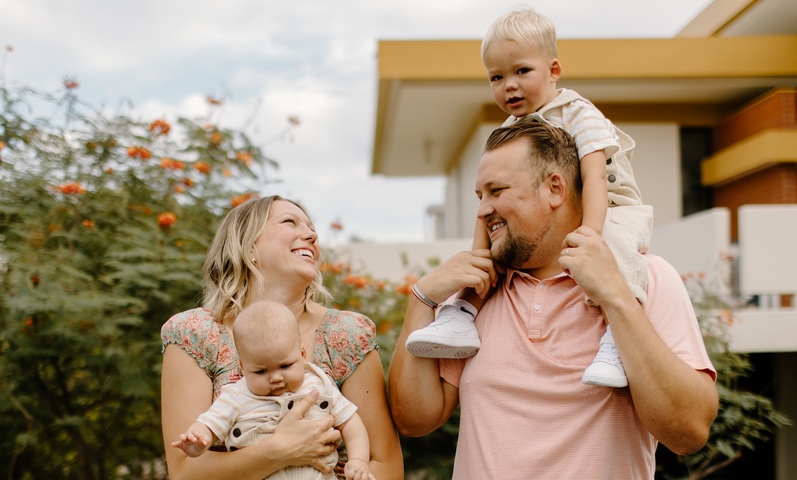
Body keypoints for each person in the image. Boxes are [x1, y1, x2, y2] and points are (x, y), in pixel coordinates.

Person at [389, 119, 718, 479]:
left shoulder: (646, 280)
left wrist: (616, 298)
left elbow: (689, 433)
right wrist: (422, 300)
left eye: (496, 191)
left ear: (555, 189)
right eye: (479, 196)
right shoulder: (474, 297)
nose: (482, 211)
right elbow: (414, 420)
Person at [405, 6, 654, 388]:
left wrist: (590, 233)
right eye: (496, 77)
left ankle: (617, 341)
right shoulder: (510, 129)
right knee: (499, 246)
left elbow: (595, 176)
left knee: (615, 251)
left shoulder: (577, 112)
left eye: (522, 71)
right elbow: (488, 198)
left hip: (610, 205)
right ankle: (462, 312)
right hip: (555, 215)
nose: (510, 85)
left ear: (553, 71)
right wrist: (480, 257)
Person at [161, 195, 403, 480]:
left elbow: (386, 467)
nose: (312, 235)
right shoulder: (195, 333)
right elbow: (184, 472)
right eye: (290, 221)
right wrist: (280, 450)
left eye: (312, 228)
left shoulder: (346, 334)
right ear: (248, 246)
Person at [172, 301, 375, 480]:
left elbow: (351, 423)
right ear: (242, 367)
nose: (276, 378)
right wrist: (198, 442)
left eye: (285, 366)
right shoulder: (236, 396)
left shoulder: (319, 384)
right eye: (261, 371)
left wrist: (358, 460)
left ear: (302, 354)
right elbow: (209, 425)